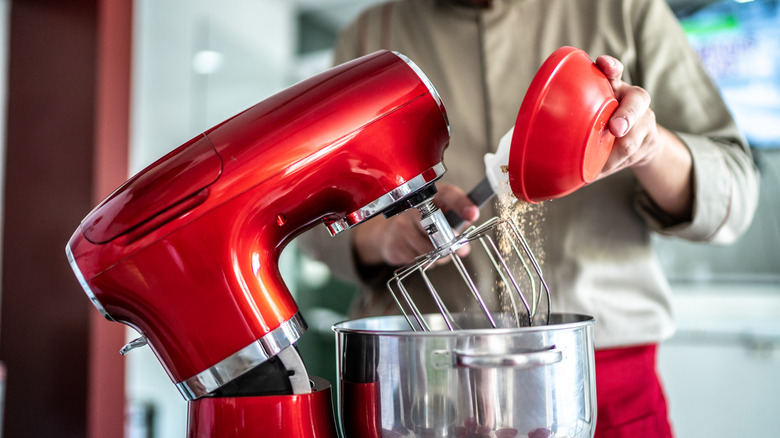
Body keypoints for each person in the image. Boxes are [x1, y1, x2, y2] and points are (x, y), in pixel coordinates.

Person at [299, 0, 760, 436]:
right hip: (427, 391)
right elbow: (312, 226)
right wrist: (383, 238)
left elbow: (735, 190)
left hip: (600, 385)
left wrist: (651, 147)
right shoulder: (371, 38)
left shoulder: (623, 10)